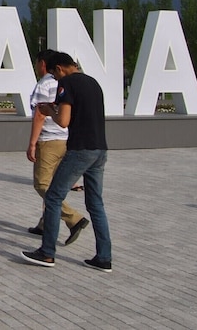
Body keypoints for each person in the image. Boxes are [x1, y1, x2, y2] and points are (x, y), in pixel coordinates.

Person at [21, 51, 113, 272]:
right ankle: (104, 257)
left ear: (60, 69)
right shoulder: (93, 83)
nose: (55, 78)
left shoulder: (67, 84)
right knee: (95, 204)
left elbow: (63, 121)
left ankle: (47, 253)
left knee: (53, 196)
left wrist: (49, 110)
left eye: (55, 74)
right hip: (100, 149)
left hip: (80, 149)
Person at [25, 50, 89, 243]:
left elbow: (40, 115)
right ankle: (46, 223)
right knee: (53, 183)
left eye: (37, 63)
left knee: (42, 184)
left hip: (49, 140)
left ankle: (74, 219)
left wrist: (32, 144)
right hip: (65, 139)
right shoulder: (66, 84)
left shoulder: (44, 84)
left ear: (43, 64)